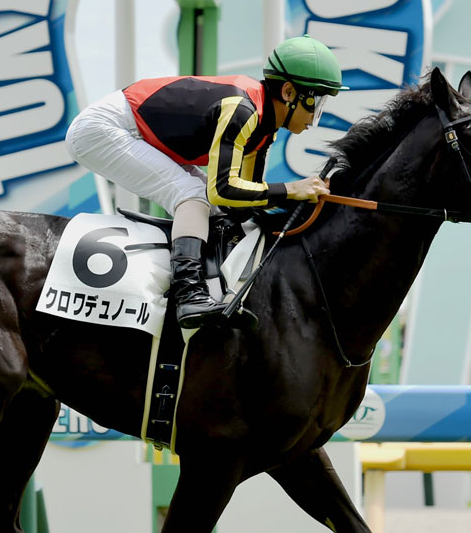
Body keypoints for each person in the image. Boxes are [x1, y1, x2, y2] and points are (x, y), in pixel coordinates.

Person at [65, 34, 343, 327]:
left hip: (133, 130)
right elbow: (223, 189)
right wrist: (291, 190)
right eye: (315, 101)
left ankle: (201, 286)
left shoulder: (264, 127)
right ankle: (188, 294)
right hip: (102, 129)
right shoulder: (243, 110)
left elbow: (242, 206)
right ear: (289, 91)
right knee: (193, 196)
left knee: (208, 204)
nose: (314, 117)